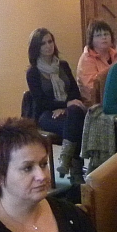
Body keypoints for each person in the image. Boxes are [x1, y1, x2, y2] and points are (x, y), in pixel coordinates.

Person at [25, 28, 86, 182]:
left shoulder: (63, 66)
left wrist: (65, 107)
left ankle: (66, 159)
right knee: (76, 122)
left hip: (69, 111)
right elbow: (41, 101)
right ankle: (76, 170)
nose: (48, 46)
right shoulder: (33, 72)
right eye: (43, 43)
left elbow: (75, 92)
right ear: (36, 48)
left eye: (50, 41)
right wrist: (63, 104)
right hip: (46, 114)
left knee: (75, 113)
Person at [76, 19, 117, 106]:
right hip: (94, 103)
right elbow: (92, 88)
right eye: (98, 35)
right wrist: (113, 67)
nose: (104, 37)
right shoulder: (86, 59)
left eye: (106, 34)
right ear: (91, 39)